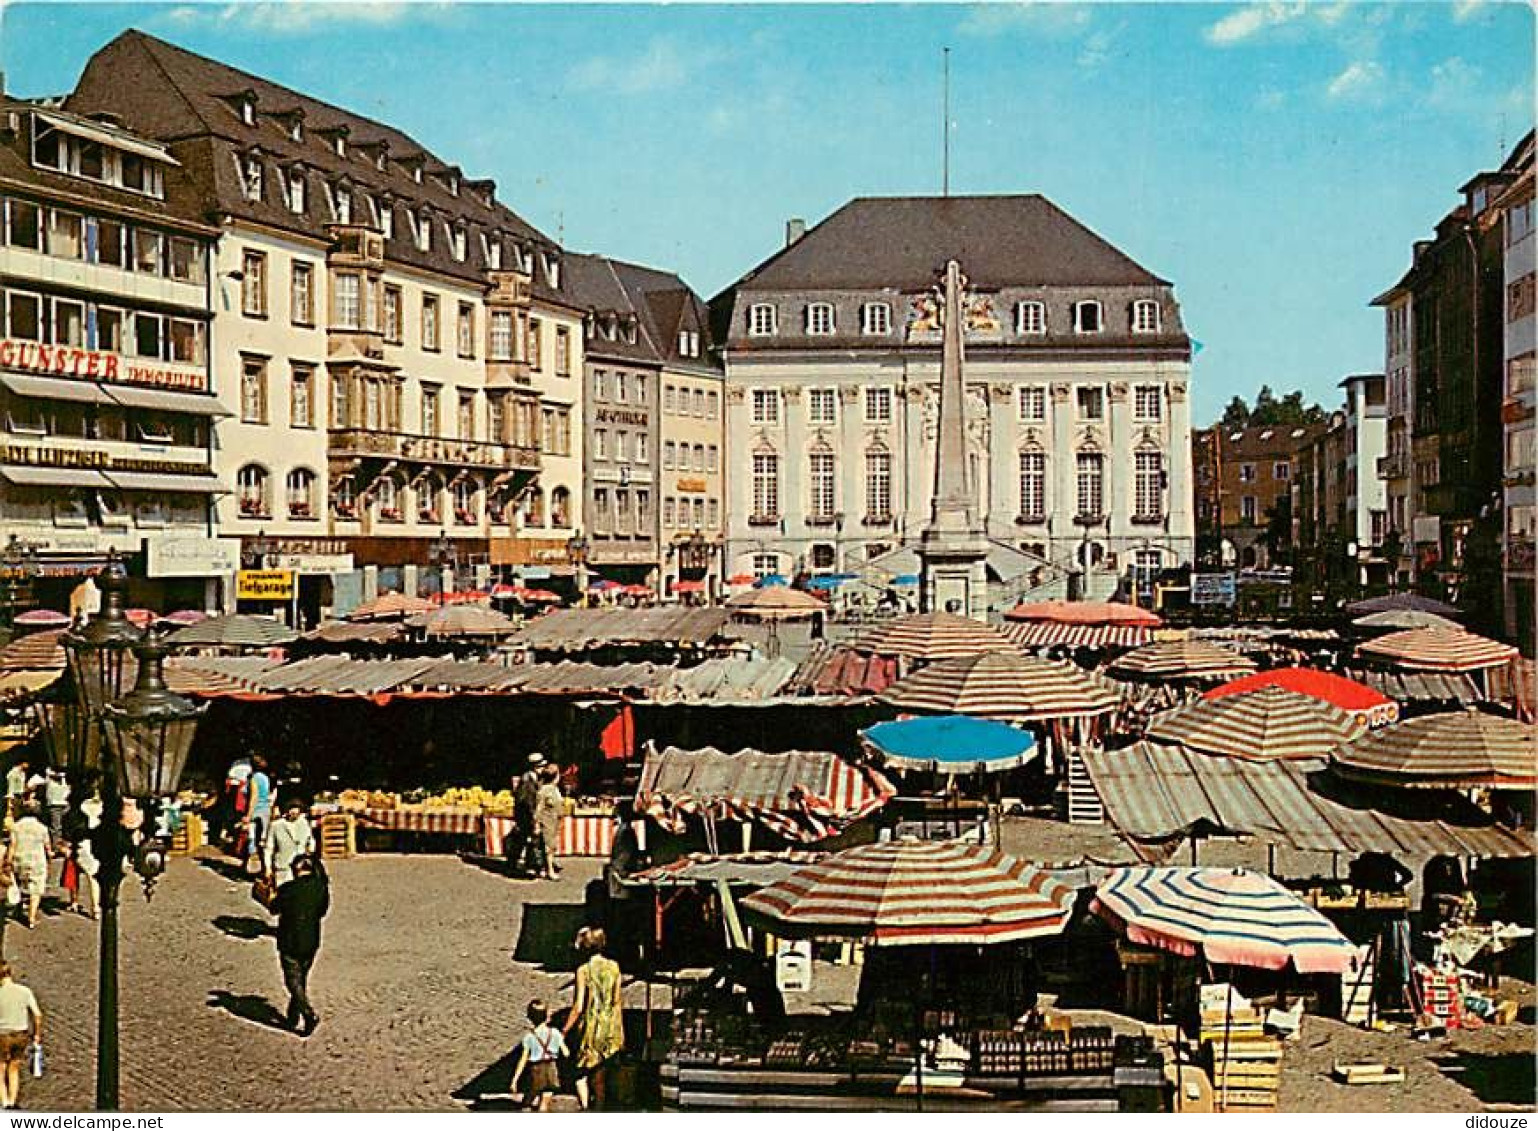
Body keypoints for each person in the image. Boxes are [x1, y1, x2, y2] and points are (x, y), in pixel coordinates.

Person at [563, 926, 624, 1110]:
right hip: (610, 1026)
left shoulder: (583, 970)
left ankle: (588, 1107)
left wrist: (565, 1029)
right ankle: (600, 1105)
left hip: (591, 1027)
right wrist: (621, 1032)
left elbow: (579, 1006)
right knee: (603, 1072)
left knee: (584, 1072)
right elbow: (617, 1002)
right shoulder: (614, 967)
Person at [274, 854, 330, 1036]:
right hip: (311, 939)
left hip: (289, 940)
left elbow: (274, 908)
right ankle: (293, 1015)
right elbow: (322, 911)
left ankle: (308, 1014)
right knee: (301, 979)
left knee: (292, 981)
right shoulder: (321, 887)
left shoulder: (288, 889)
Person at [510, 998, 568, 1112]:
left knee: (528, 1100)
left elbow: (523, 1060)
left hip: (536, 1070)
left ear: (529, 1017)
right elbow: (566, 1053)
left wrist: (515, 1079)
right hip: (551, 1068)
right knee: (545, 1102)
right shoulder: (555, 1033)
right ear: (547, 1016)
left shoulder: (529, 1037)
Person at [0, 961, 39, 1110]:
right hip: (20, 1034)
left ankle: (5, 1102)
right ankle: (13, 1100)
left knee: (1, 1067)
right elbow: (37, 1014)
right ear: (10, 973)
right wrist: (37, 1035)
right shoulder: (25, 991)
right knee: (14, 1067)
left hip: (2, 1035)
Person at [7, 808, 48, 931]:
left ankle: (18, 910)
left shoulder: (16, 827)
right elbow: (47, 846)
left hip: (19, 859)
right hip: (37, 860)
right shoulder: (42, 828)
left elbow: (12, 845)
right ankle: (31, 918)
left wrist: (8, 862)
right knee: (36, 889)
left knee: (18, 886)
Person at [264, 795, 316, 889]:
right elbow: (268, 848)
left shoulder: (304, 823)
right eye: (292, 809)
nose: (294, 812)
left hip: (301, 868)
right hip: (283, 868)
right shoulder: (276, 825)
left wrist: (310, 852)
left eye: (297, 809)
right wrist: (268, 868)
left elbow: (310, 840)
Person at [513, 754, 546, 877]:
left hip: (526, 814)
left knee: (527, 840)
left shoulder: (534, 778)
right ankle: (529, 865)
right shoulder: (528, 780)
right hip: (526, 815)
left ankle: (526, 864)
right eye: (541, 766)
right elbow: (528, 801)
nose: (543, 769)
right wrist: (534, 817)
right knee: (529, 840)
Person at [534, 764, 563, 882]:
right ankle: (550, 871)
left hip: (554, 820)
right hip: (547, 820)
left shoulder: (554, 788)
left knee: (549, 845)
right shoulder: (544, 790)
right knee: (549, 847)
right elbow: (539, 808)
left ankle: (543, 869)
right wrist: (536, 823)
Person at [246, 757, 273, 872]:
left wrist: (248, 814)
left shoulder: (254, 779)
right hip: (266, 810)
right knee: (263, 841)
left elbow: (254, 797)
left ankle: (249, 867)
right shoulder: (266, 778)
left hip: (256, 811)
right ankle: (265, 868)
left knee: (251, 839)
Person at [40, 772, 68, 851]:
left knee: (61, 828)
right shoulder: (49, 781)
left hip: (64, 805)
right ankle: (56, 847)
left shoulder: (63, 781)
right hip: (54, 806)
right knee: (56, 828)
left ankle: (62, 846)